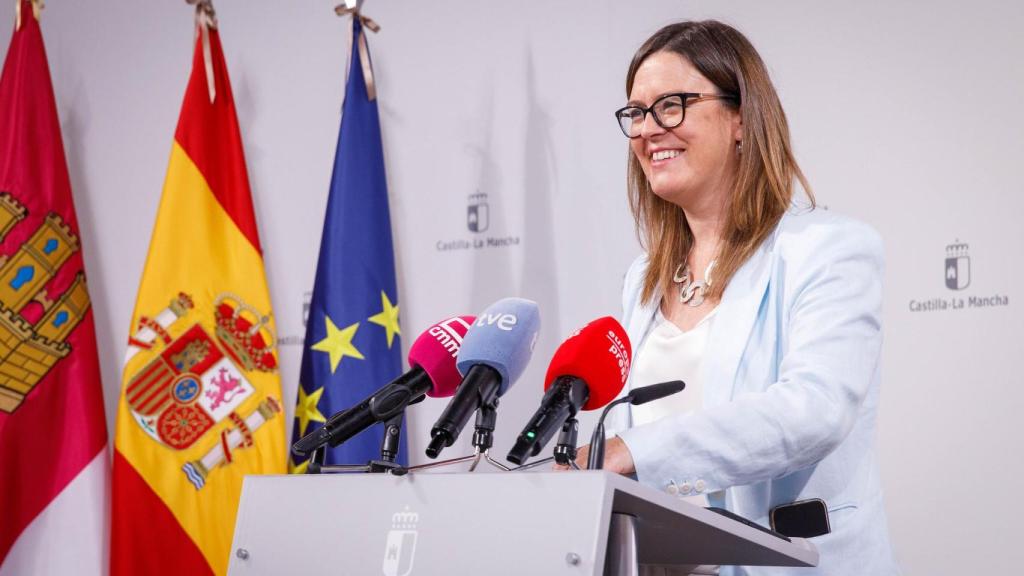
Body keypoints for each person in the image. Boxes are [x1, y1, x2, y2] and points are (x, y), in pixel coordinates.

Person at [575, 20, 900, 575]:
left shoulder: (829, 249)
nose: (650, 129)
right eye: (636, 112)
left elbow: (813, 410)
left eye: (672, 105)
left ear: (741, 119)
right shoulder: (644, 279)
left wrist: (637, 452)